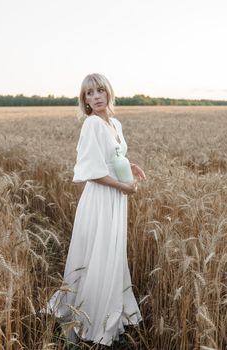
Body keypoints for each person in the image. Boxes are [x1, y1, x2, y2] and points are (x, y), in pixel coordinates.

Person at [44, 73, 147, 347]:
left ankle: (109, 306)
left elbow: (112, 156)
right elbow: (91, 170)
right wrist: (122, 187)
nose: (96, 97)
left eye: (100, 90)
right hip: (102, 196)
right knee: (98, 252)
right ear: (84, 100)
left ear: (108, 92)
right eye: (89, 93)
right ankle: (88, 316)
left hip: (115, 196)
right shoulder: (91, 124)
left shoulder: (114, 123)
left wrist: (130, 165)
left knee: (111, 252)